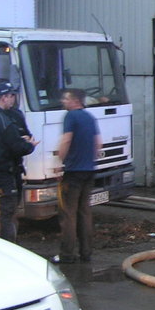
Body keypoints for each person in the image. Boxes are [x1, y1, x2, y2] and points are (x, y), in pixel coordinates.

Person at [55, 88, 102, 263]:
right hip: (89, 171)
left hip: (73, 172)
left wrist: (59, 162)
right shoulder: (90, 117)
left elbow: (67, 139)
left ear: (75, 101)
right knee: (85, 212)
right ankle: (86, 253)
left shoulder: (71, 116)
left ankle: (67, 254)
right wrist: (88, 159)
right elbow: (99, 143)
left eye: (66, 99)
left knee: (68, 214)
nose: (63, 101)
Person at [0, 82, 38, 242]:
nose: (14, 99)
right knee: (7, 216)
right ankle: (8, 249)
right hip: (4, 174)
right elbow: (18, 147)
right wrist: (29, 145)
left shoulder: (4, 116)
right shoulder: (5, 121)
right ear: (4, 97)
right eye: (12, 96)